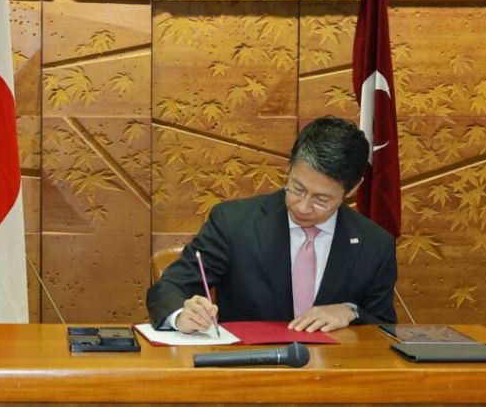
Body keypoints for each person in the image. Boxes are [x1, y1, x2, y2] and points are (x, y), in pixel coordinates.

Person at [146, 115, 397, 334]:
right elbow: (170, 287)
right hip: (248, 373)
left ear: (352, 189)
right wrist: (181, 315)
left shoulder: (375, 244)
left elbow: (384, 326)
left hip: (335, 378)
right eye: (297, 188)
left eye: (321, 199)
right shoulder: (233, 223)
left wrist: (351, 312)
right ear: (289, 168)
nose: (303, 207)